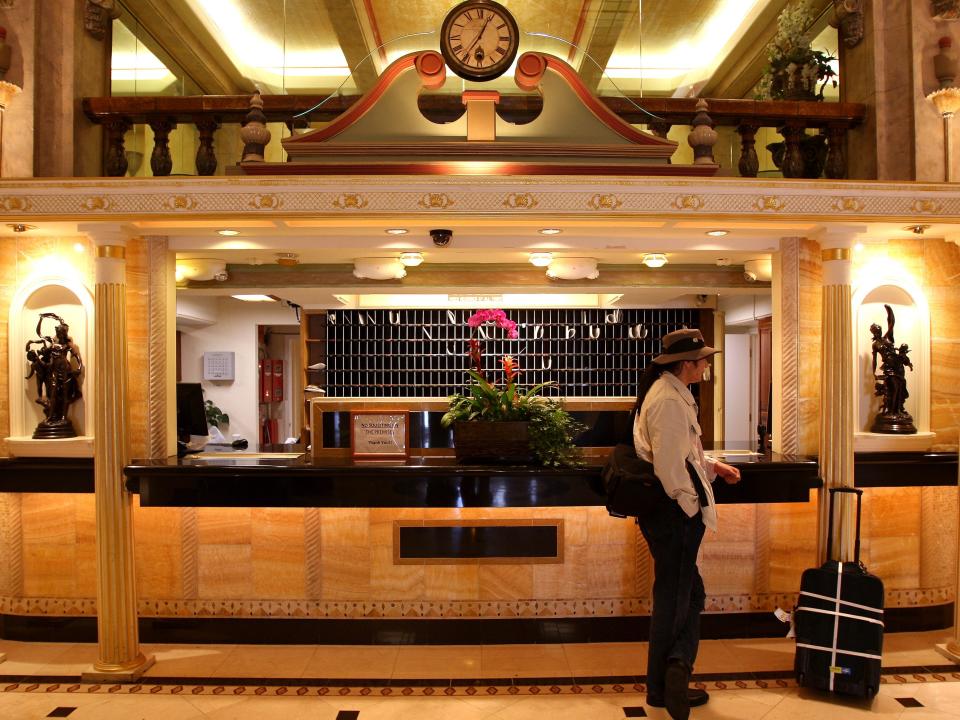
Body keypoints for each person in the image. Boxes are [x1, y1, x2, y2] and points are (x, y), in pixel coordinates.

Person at [633, 328, 741, 720]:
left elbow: (686, 454)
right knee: (676, 600)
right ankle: (665, 684)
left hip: (674, 513)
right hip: (674, 514)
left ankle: (672, 673)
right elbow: (668, 466)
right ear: (686, 364)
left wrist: (714, 468)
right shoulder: (667, 400)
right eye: (703, 359)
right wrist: (689, 504)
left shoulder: (675, 395)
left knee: (684, 596)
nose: (707, 365)